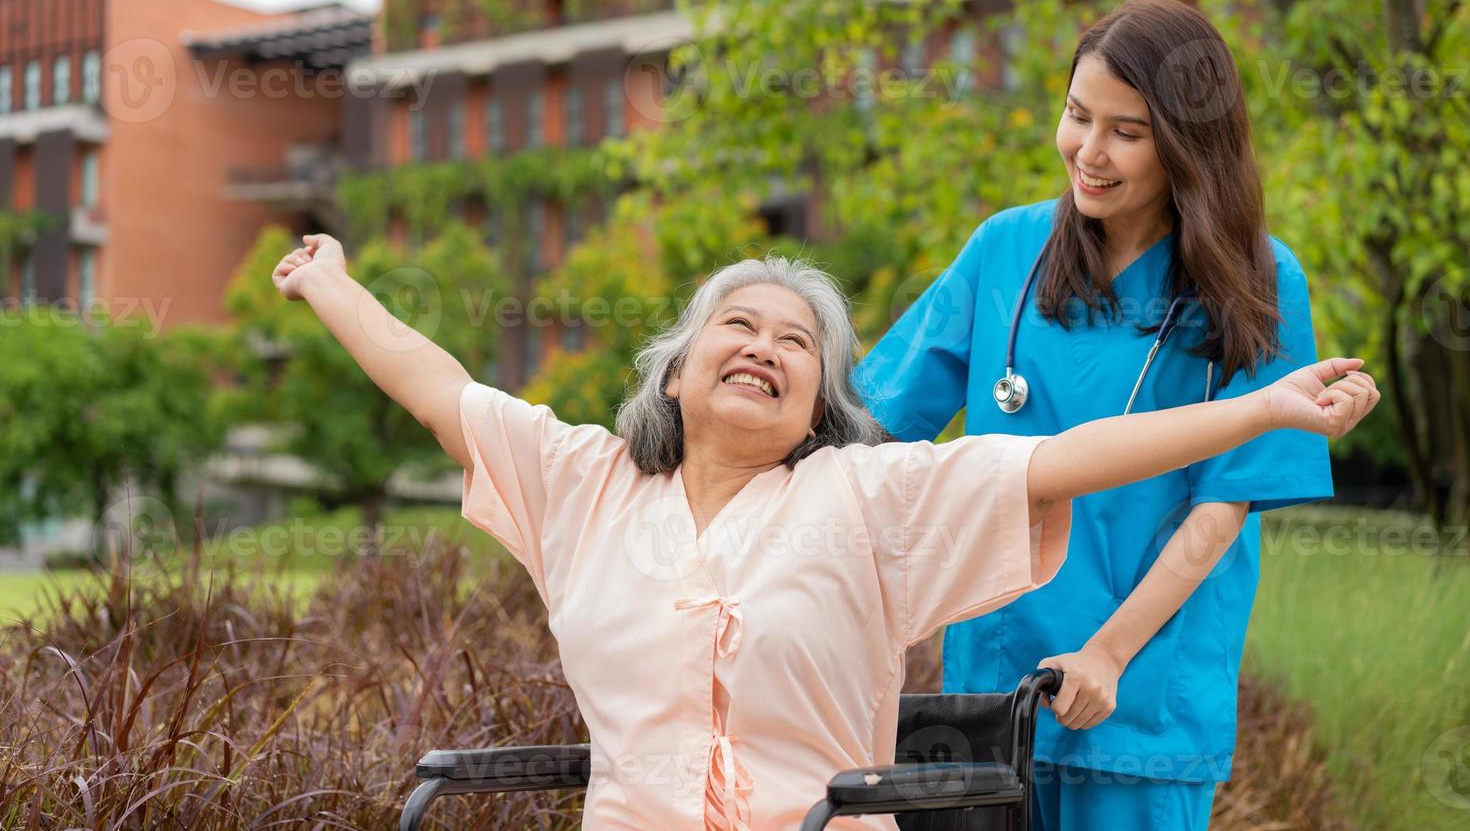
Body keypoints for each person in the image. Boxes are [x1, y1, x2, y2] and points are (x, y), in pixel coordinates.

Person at [274, 235, 1377, 830]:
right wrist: (328, 282)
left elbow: (1070, 454)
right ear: (674, 367)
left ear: (820, 400)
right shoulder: (583, 482)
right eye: (737, 324)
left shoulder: (868, 496)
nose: (764, 344)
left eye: (796, 341)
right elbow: (435, 385)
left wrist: (1266, 406)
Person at [852, 0, 1331, 829]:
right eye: (1078, 116)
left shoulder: (1257, 277)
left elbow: (1224, 506)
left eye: (1128, 132)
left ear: (1189, 144)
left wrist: (1108, 655)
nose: (1090, 152)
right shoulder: (1006, 249)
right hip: (993, 689)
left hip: (1143, 696)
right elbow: (867, 433)